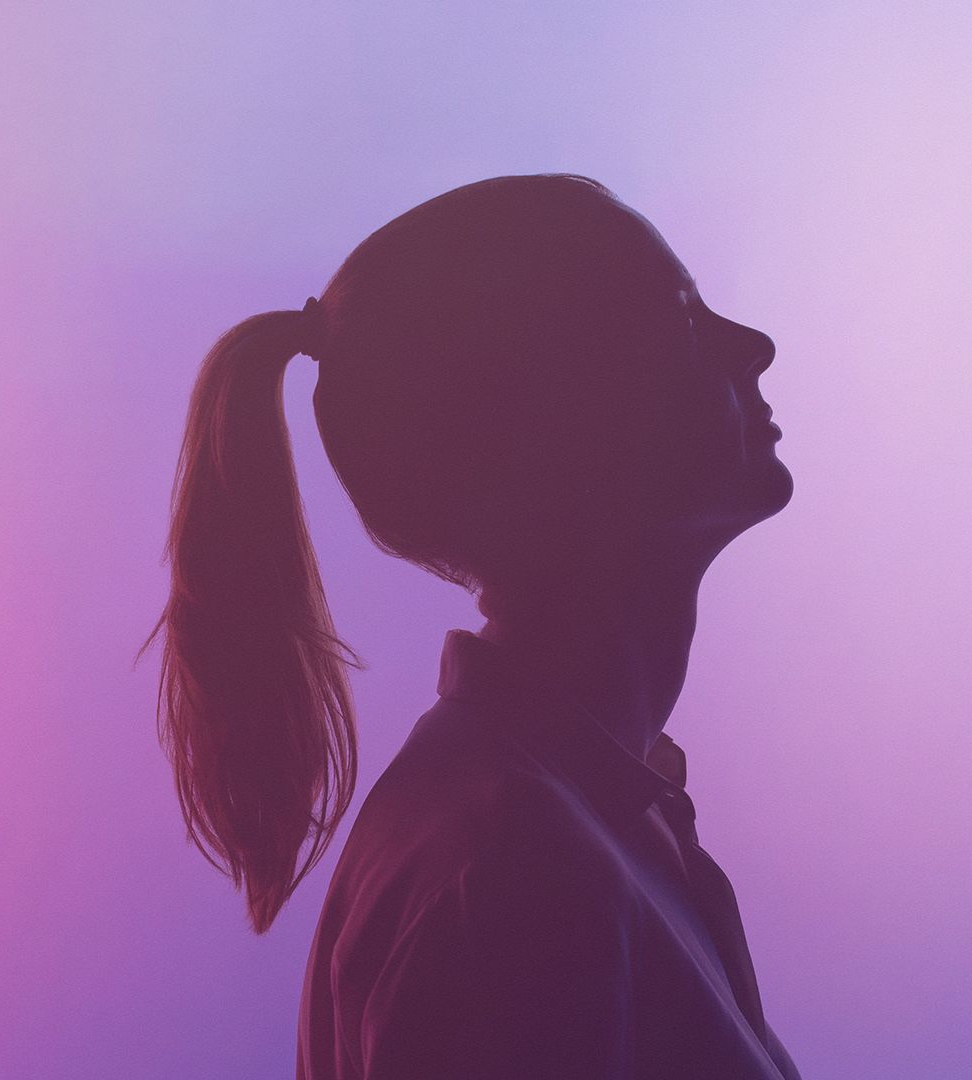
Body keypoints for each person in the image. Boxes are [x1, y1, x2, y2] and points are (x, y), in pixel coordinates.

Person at [143, 174, 801, 1078]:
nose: (755, 347)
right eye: (684, 324)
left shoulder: (579, 827)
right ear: (565, 422)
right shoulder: (513, 877)